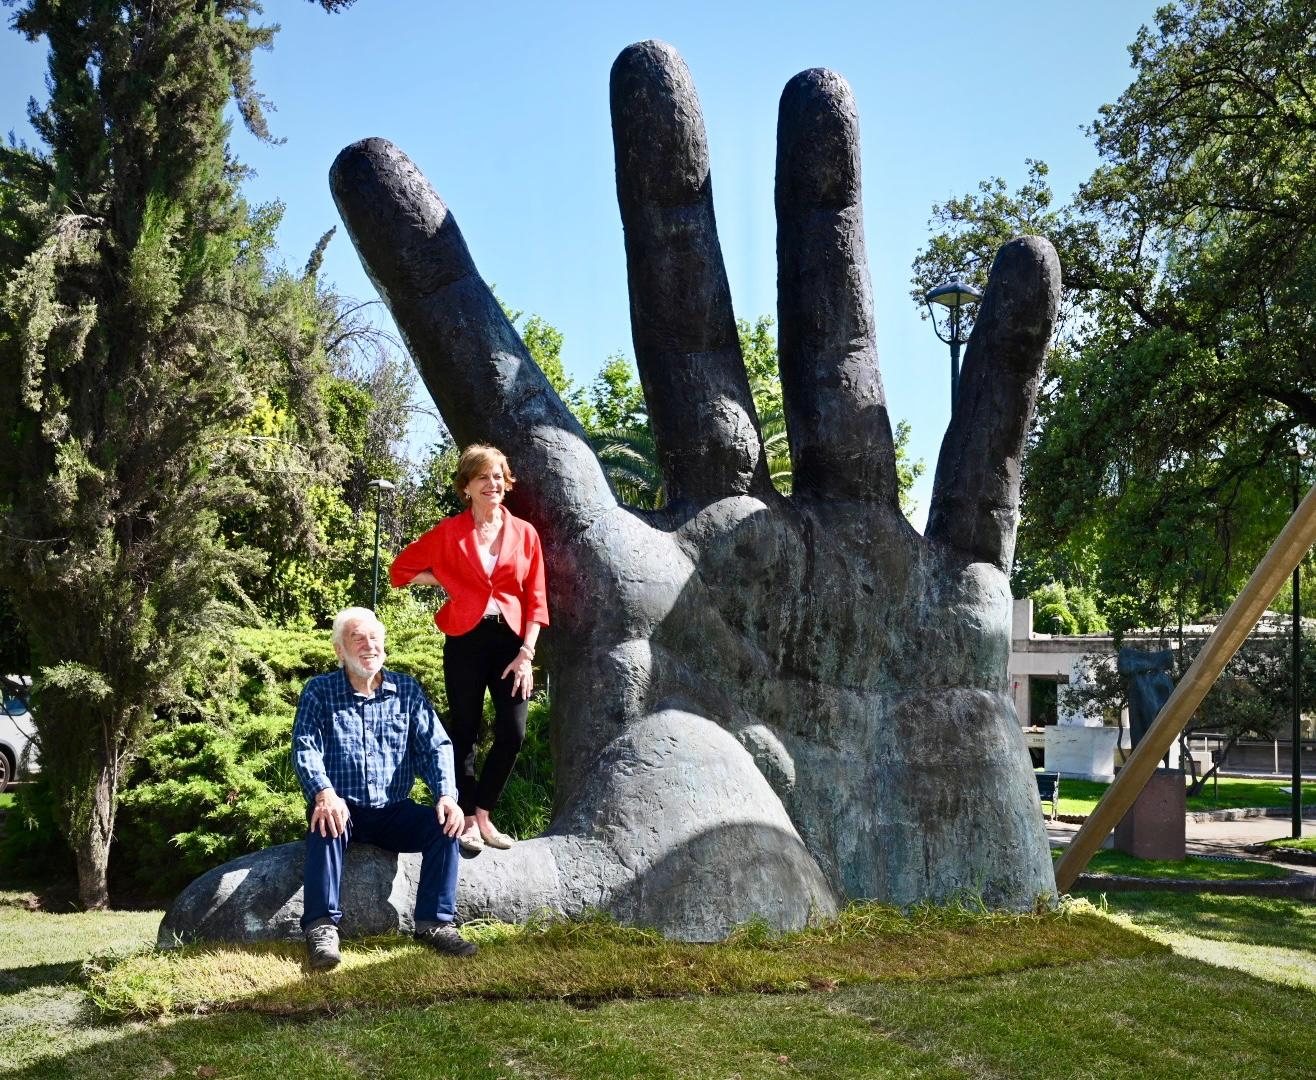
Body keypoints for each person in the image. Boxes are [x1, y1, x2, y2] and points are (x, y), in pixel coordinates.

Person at [292, 606, 476, 970]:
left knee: (445, 826)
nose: (369, 645)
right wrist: (323, 792)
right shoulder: (320, 691)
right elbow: (305, 746)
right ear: (339, 651)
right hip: (343, 807)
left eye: (374, 637)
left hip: (394, 810)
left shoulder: (405, 690)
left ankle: (435, 924)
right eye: (357, 638)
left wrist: (446, 794)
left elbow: (435, 746)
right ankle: (322, 928)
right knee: (325, 821)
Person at [390, 443, 549, 854]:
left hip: (513, 643)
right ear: (467, 486)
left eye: (499, 476)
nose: (493, 483)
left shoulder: (525, 534)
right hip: (465, 639)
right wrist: (449, 581)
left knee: (513, 732)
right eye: (484, 477)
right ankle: (468, 821)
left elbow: (536, 598)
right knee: (464, 730)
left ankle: (484, 812)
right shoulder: (449, 533)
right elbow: (400, 571)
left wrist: (527, 653)